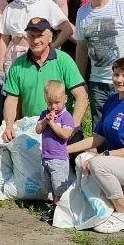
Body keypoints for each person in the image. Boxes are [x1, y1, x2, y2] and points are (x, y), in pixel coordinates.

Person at [66, 57, 124, 234]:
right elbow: (97, 139)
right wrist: (63, 150)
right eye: (116, 74)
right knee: (81, 160)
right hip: (121, 165)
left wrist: (106, 155)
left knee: (97, 164)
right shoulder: (112, 100)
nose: (119, 80)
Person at [1, 18, 88, 143]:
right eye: (31, 36)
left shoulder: (64, 60)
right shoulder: (18, 65)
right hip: (32, 127)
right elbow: (12, 99)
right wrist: (9, 125)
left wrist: (73, 126)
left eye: (40, 35)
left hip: (61, 125)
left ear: (50, 38)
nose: (36, 40)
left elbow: (81, 96)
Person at [0, 0, 73, 86]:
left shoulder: (46, 4)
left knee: (36, 91)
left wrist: (52, 47)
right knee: (15, 94)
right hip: (13, 58)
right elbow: (4, 39)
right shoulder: (10, 8)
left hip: (38, 56)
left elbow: (67, 29)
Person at [35, 80, 75, 223]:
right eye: (49, 103)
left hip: (59, 158)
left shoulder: (66, 116)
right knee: (49, 185)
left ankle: (60, 211)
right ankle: (54, 207)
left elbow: (65, 134)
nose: (53, 107)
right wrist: (45, 121)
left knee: (59, 187)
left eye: (57, 102)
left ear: (65, 99)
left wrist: (52, 124)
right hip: (46, 156)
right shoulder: (44, 114)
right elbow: (38, 130)